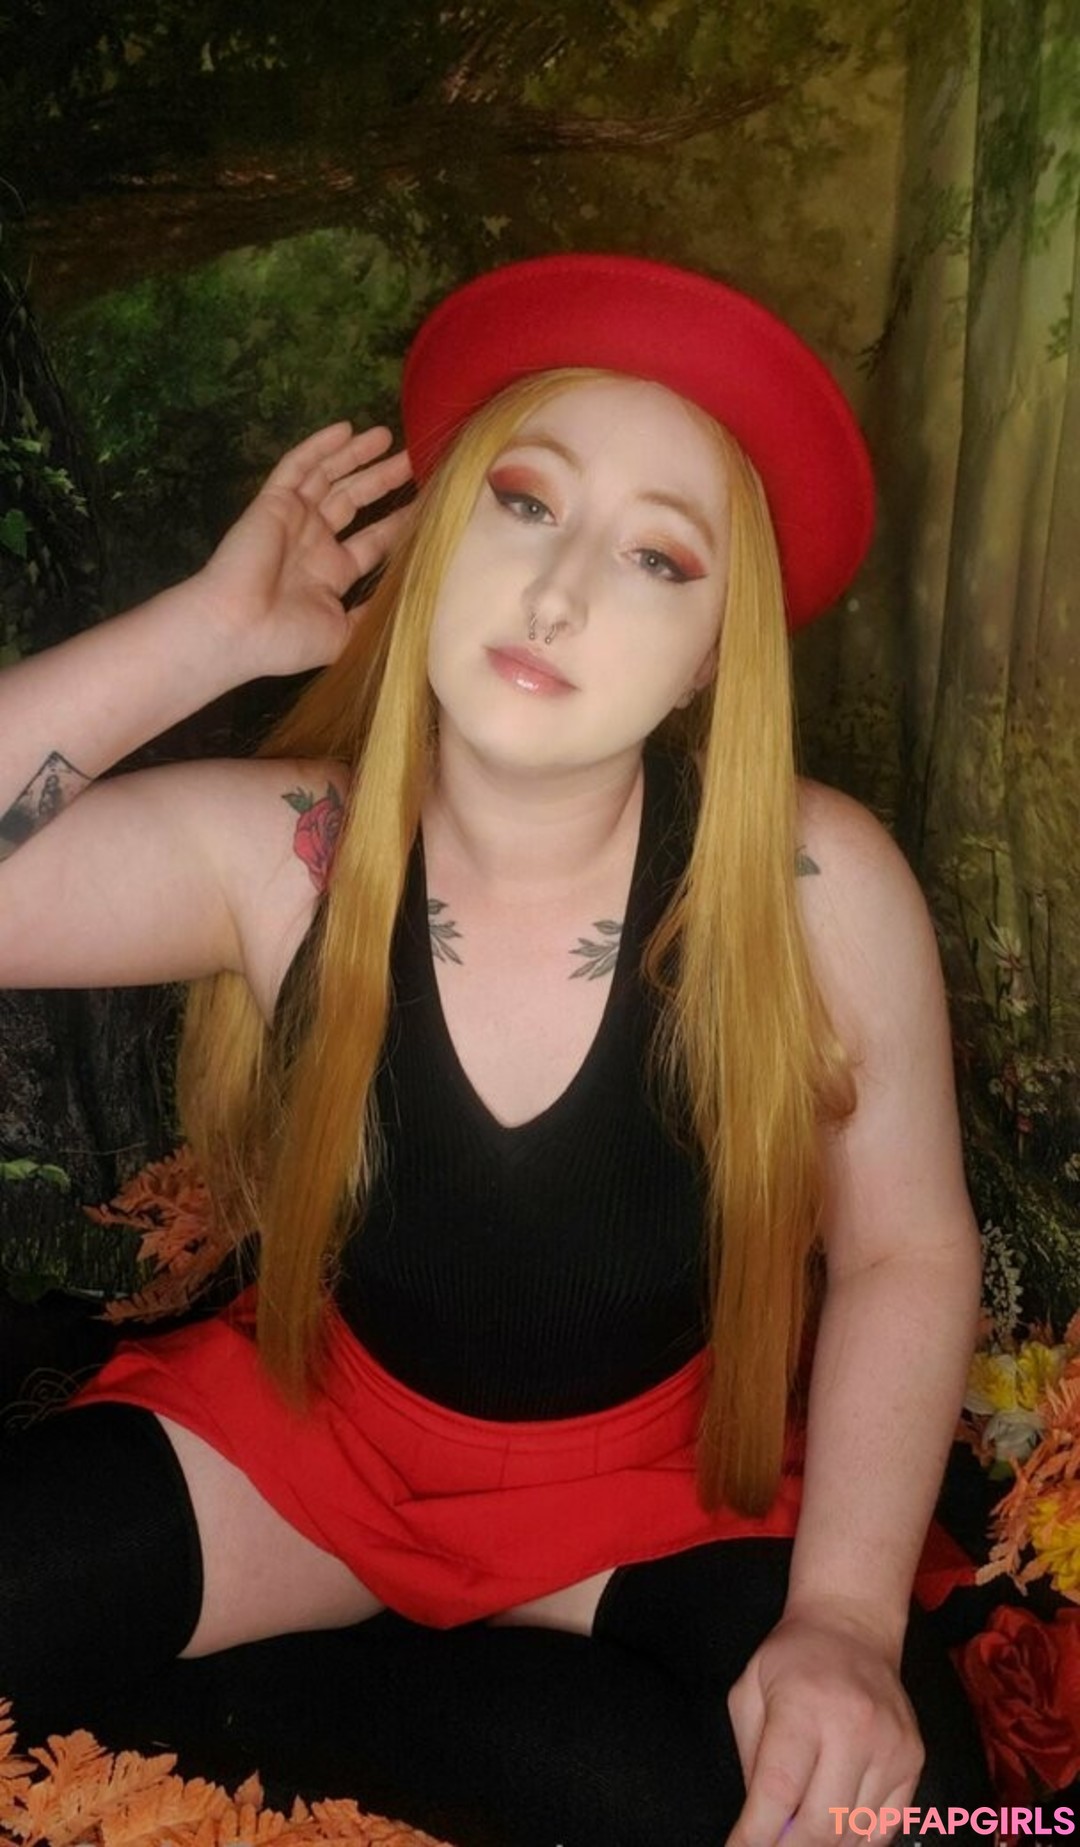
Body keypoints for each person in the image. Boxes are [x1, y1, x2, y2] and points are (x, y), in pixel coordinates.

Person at [0, 254, 993, 1842]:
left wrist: (845, 1620)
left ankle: (319, 1708)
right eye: (526, 503)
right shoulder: (293, 852)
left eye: (658, 557)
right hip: (313, 1462)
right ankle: (323, 1701)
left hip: (657, 1503)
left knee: (925, 1820)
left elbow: (906, 1251)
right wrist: (206, 633)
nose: (561, 592)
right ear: (441, 529)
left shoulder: (818, 886)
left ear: (718, 651)